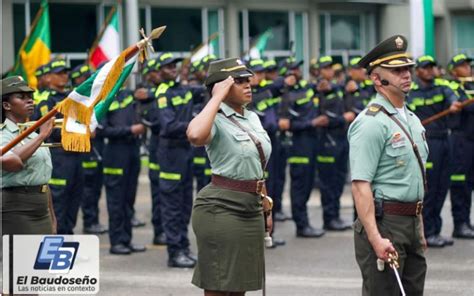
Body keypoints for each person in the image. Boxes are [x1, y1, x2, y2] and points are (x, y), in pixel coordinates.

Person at [348, 35, 428, 295]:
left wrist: (420, 227)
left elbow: (413, 176)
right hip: (386, 223)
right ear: (376, 79)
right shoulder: (370, 122)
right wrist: (374, 237)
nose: (406, 74)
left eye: (407, 68)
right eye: (396, 70)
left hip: (411, 222)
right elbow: (361, 186)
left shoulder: (412, 119)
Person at [187, 58, 272, 296]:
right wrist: (216, 98)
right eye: (239, 81)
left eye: (248, 80)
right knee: (218, 284)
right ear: (221, 86)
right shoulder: (213, 117)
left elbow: (256, 164)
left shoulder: (252, 117)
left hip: (251, 207)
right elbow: (194, 136)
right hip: (220, 208)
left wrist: (265, 203)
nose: (248, 85)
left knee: (240, 284)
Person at [154, 52, 205, 267]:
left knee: (185, 206)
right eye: (167, 67)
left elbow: (205, 91)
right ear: (159, 72)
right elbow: (168, 126)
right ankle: (174, 253)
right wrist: (194, 125)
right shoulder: (163, 92)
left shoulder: (184, 89)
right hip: (171, 157)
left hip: (185, 156)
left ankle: (184, 247)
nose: (172, 69)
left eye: (174, 65)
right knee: (172, 208)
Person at [407, 55, 461, 247]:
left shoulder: (442, 87)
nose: (430, 70)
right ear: (418, 71)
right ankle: (427, 232)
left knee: (442, 187)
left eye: (432, 67)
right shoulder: (411, 93)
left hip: (444, 141)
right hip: (426, 143)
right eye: (425, 67)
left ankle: (436, 230)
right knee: (429, 189)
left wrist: (454, 104)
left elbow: (452, 97)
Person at [1, 76, 56, 235]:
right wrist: (41, 136)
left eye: (30, 97)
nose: (30, 101)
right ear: (6, 105)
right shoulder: (3, 134)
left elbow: (42, 179)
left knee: (41, 258)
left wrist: (52, 216)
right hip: (17, 208)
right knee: (20, 258)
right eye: (21, 97)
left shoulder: (30, 134)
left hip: (41, 207)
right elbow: (12, 160)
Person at [35, 58, 85, 235]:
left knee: (74, 201)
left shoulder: (72, 97)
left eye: (65, 73)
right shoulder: (45, 100)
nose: (64, 76)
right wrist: (77, 130)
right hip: (58, 157)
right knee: (58, 205)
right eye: (59, 73)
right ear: (48, 78)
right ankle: (56, 250)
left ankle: (68, 246)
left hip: (76, 157)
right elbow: (49, 131)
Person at [98, 87, 147, 255]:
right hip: (115, 153)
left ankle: (126, 239)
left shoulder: (127, 95)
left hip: (132, 151)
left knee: (128, 199)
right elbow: (101, 130)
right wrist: (129, 130)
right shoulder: (104, 99)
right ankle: (116, 241)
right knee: (116, 201)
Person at [314, 55, 354, 231]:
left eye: (331, 67)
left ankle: (336, 216)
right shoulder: (317, 89)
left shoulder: (336, 86)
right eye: (326, 68)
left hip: (340, 139)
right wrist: (342, 118)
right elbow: (321, 118)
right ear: (319, 71)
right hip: (326, 141)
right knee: (328, 182)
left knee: (339, 180)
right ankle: (329, 218)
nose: (329, 71)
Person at [446, 53, 474, 238]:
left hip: (472, 140)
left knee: (470, 183)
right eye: (463, 66)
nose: (468, 68)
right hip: (460, 141)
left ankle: (466, 221)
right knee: (460, 183)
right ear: (454, 71)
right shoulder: (452, 87)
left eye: (469, 65)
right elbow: (467, 106)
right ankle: (459, 223)